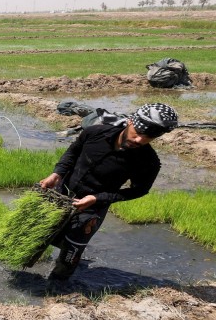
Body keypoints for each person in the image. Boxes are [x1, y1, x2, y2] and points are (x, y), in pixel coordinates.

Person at [38, 103, 179, 280]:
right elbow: (73, 153)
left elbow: (139, 191)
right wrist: (56, 173)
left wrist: (97, 199)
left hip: (92, 207)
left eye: (149, 137)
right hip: (61, 194)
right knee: (39, 234)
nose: (140, 140)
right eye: (139, 132)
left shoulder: (148, 162)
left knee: (71, 252)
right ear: (130, 122)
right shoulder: (95, 133)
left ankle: (57, 288)